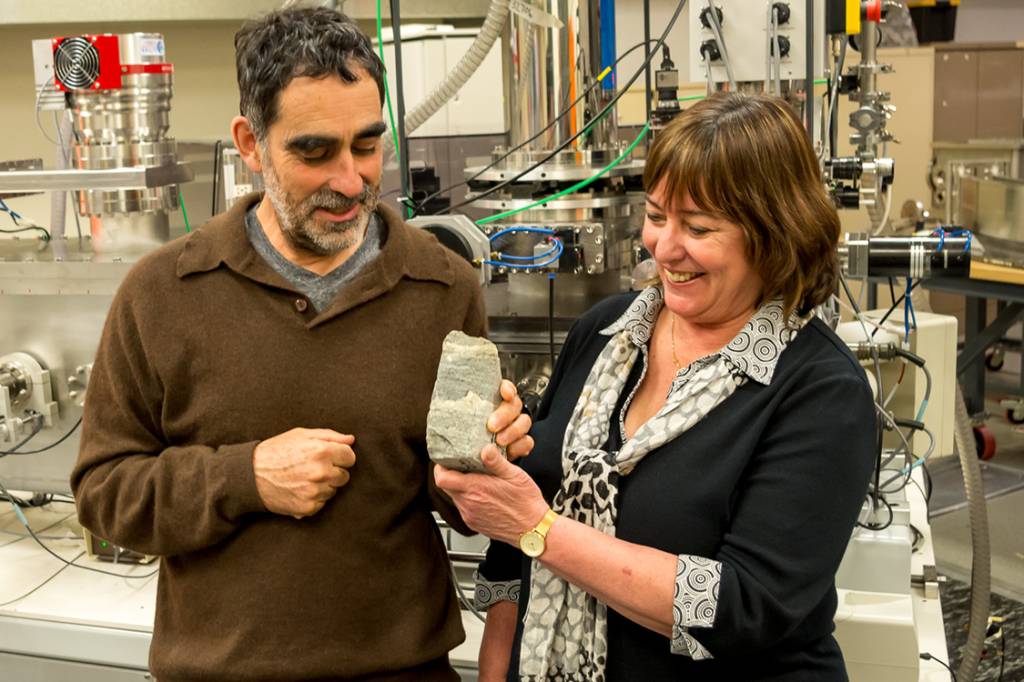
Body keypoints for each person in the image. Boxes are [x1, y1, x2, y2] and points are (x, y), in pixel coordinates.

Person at [70, 7, 532, 681]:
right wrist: (243, 477)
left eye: (368, 146)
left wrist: (489, 463)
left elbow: (458, 506)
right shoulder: (162, 292)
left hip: (401, 669)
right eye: (314, 152)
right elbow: (103, 493)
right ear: (250, 144)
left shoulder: (441, 286)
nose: (351, 181)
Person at [436, 92, 878, 681]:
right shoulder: (606, 333)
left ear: (775, 233)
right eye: (657, 215)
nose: (664, 248)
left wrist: (540, 529)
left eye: (698, 227)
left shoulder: (820, 392)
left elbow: (740, 609)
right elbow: (513, 545)